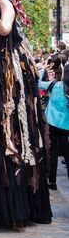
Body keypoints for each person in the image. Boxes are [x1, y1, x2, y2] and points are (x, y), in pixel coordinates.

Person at [38, 62, 69, 190]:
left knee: (53, 152)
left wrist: (42, 69)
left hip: (52, 124)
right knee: (67, 154)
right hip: (66, 126)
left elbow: (38, 83)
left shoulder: (54, 85)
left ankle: (52, 181)